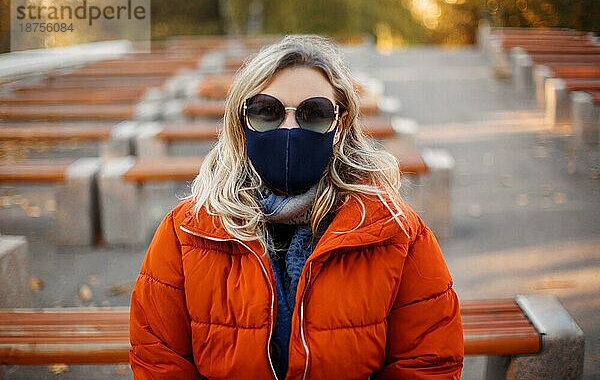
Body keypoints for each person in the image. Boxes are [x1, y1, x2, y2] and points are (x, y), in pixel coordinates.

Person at [129, 35, 464, 379]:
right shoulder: (187, 231)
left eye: (313, 113)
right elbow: (160, 361)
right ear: (242, 123)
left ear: (340, 124)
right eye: (267, 111)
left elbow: (428, 363)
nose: (289, 128)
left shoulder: (395, 231)